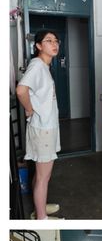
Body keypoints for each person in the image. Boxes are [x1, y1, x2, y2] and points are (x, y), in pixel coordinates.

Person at [15, 30, 63, 220]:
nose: (54, 44)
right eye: (48, 41)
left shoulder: (43, 66)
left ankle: (40, 206)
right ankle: (41, 217)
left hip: (46, 126)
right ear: (38, 46)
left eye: (56, 40)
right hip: (43, 128)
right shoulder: (37, 65)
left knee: (40, 173)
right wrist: (29, 109)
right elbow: (21, 90)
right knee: (44, 176)